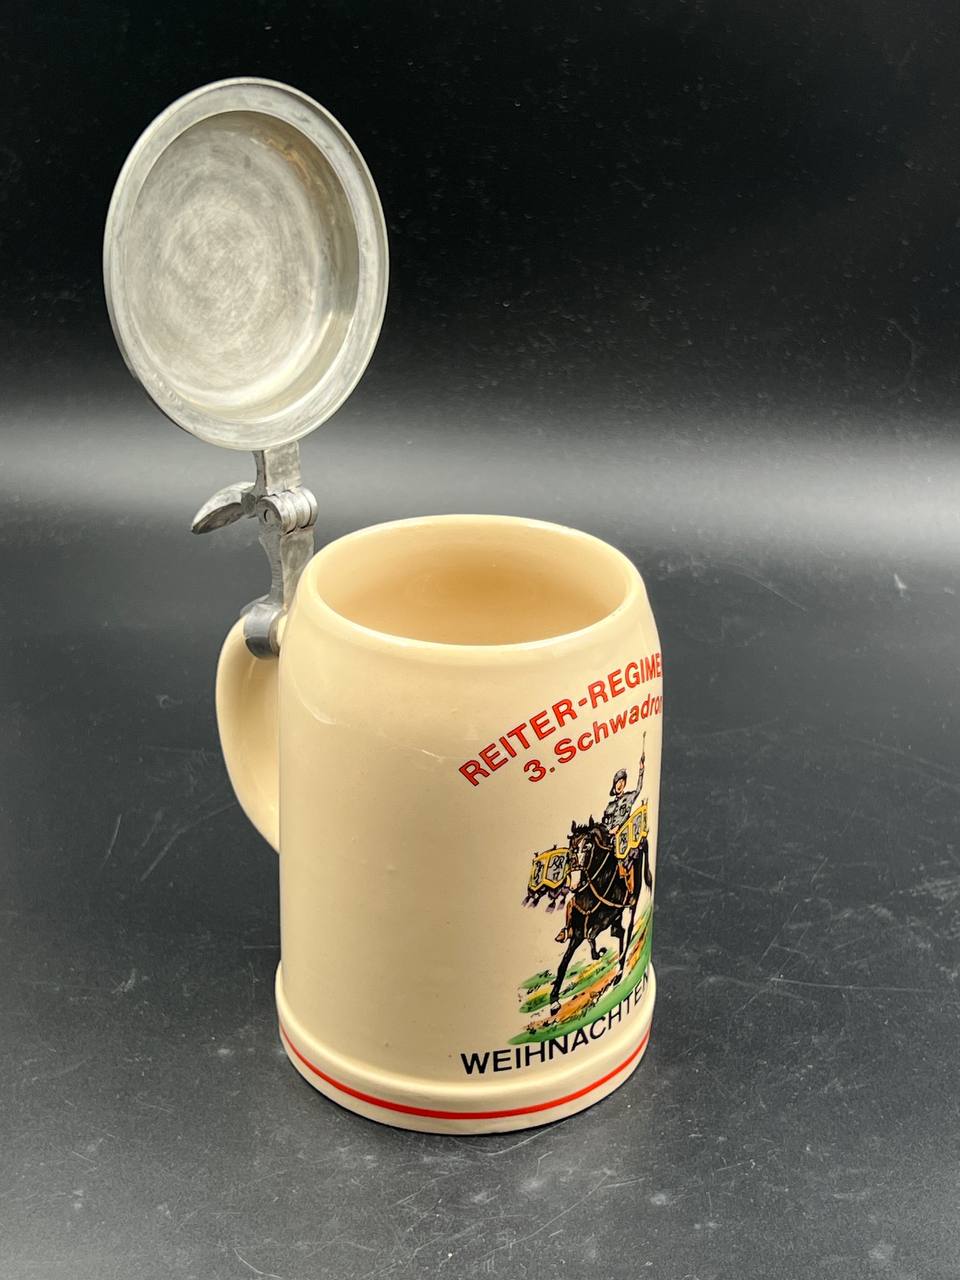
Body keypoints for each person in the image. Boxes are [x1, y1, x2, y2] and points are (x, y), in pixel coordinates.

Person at [554, 752, 645, 943]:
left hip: (623, 838)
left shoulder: (629, 798)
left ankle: (630, 894)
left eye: (622, 781)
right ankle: (572, 922)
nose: (620, 784)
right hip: (609, 839)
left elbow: (639, 789)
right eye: (618, 782)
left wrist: (641, 771)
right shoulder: (610, 806)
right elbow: (605, 822)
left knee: (624, 863)